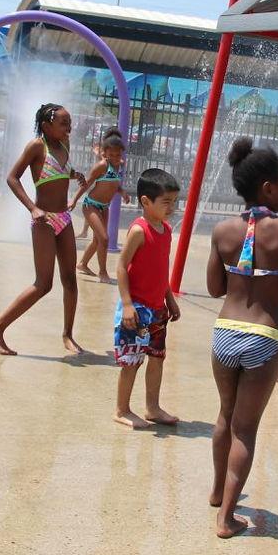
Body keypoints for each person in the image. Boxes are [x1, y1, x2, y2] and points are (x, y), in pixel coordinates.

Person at [206, 138, 278, 538]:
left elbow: (214, 287)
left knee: (225, 416)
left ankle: (217, 491)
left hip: (225, 333)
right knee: (245, 430)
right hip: (262, 338)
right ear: (268, 187)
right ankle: (227, 518)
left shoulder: (222, 229)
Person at [0, 103, 89, 357]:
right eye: (63, 123)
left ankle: (68, 335)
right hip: (44, 221)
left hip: (63, 217)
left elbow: (59, 170)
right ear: (46, 126)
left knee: (71, 281)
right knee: (43, 284)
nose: (69, 128)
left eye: (69, 122)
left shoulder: (64, 145)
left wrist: (75, 174)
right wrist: (32, 208)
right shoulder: (36, 146)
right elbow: (12, 177)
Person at [113, 168, 181, 430]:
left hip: (157, 309)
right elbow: (121, 266)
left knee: (156, 357)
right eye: (166, 202)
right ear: (146, 202)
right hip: (138, 309)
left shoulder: (165, 230)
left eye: (174, 202)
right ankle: (122, 409)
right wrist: (127, 305)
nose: (171, 208)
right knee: (132, 361)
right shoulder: (139, 231)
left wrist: (170, 299)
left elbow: (161, 270)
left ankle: (152, 407)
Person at [72, 127, 130, 282]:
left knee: (98, 240)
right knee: (104, 239)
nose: (116, 157)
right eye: (112, 155)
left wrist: (122, 192)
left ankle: (83, 264)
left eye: (118, 154)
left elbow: (112, 185)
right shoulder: (101, 166)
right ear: (105, 153)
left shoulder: (117, 166)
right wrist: (74, 200)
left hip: (104, 207)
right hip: (91, 205)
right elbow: (86, 184)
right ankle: (103, 273)